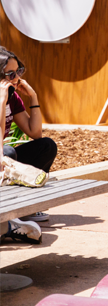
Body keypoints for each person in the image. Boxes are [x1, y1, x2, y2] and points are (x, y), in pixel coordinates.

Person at [1, 47, 58, 223]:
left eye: (18, 71)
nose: (17, 78)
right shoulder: (4, 97)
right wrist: (1, 102)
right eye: (10, 74)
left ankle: (27, 206)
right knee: (8, 152)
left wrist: (33, 97)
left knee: (46, 146)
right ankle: (5, 208)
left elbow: (35, 132)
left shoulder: (12, 97)